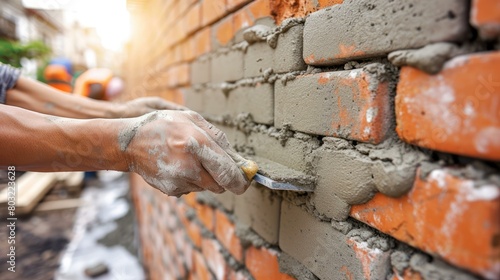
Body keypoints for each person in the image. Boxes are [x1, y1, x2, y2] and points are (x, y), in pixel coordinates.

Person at [0, 63, 250, 196]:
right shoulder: (97, 83)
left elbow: (7, 86)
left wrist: (119, 113)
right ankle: (90, 178)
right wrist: (127, 143)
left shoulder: (103, 81)